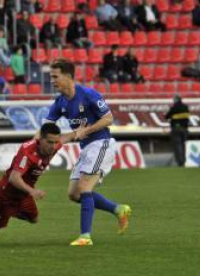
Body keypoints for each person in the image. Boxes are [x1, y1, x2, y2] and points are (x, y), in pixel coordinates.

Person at [44, 59, 131, 246]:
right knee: (74, 194)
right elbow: (46, 127)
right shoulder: (59, 102)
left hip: (102, 144)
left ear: (68, 76)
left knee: (84, 188)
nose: (52, 80)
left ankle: (85, 236)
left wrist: (83, 131)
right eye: (50, 77)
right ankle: (118, 209)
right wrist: (33, 144)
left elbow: (108, 119)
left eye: (55, 76)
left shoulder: (89, 94)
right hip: (86, 149)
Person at [165, 94, 190, 167]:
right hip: (184, 129)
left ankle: (180, 162)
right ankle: (184, 160)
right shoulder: (186, 107)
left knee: (177, 146)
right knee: (183, 145)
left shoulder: (174, 107)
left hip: (176, 129)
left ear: (176, 100)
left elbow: (167, 116)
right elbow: (187, 118)